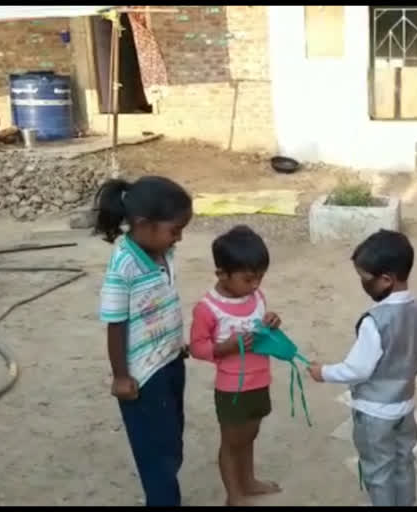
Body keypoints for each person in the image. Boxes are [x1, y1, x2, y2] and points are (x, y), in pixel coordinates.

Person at [307, 229, 417, 507]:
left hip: (374, 412)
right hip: (405, 405)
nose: (362, 284)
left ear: (386, 279)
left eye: (365, 279)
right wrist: (407, 367)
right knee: (403, 462)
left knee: (378, 470)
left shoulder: (374, 320)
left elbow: (358, 370)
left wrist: (325, 372)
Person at [96, 175, 193, 506]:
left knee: (172, 440)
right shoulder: (124, 264)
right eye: (174, 230)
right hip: (142, 377)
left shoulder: (163, 251)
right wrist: (121, 376)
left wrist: (176, 344)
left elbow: (161, 304)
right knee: (156, 454)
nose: (178, 237)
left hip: (170, 362)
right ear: (142, 224)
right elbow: (115, 323)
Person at [189, 225, 283, 506]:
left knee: (250, 434)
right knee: (232, 442)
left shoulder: (256, 297)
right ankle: (234, 495)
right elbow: (197, 347)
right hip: (232, 388)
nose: (255, 286)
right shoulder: (207, 308)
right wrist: (225, 347)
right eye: (248, 279)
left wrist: (272, 322)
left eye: (260, 278)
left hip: (259, 380)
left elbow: (261, 327)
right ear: (222, 274)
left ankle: (249, 480)